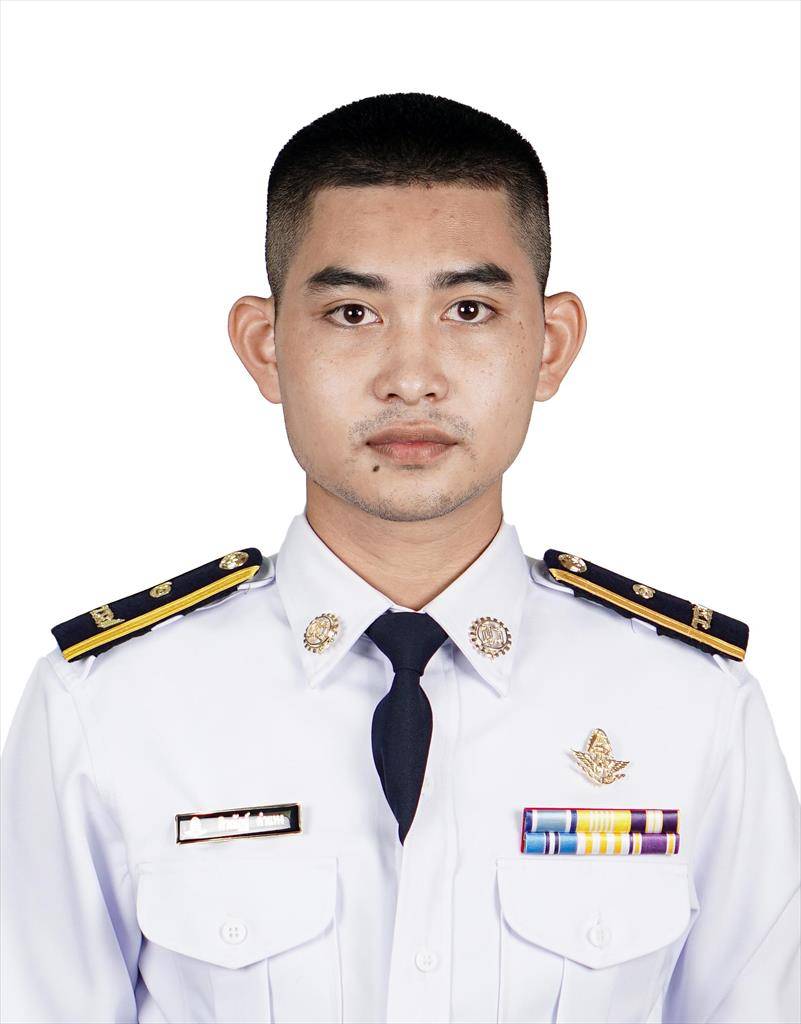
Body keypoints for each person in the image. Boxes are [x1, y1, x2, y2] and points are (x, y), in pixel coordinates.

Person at [1, 92, 798, 1024]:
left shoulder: (690, 708)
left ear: (549, 345)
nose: (411, 377)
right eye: (351, 312)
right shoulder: (107, 709)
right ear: (265, 347)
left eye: (468, 308)